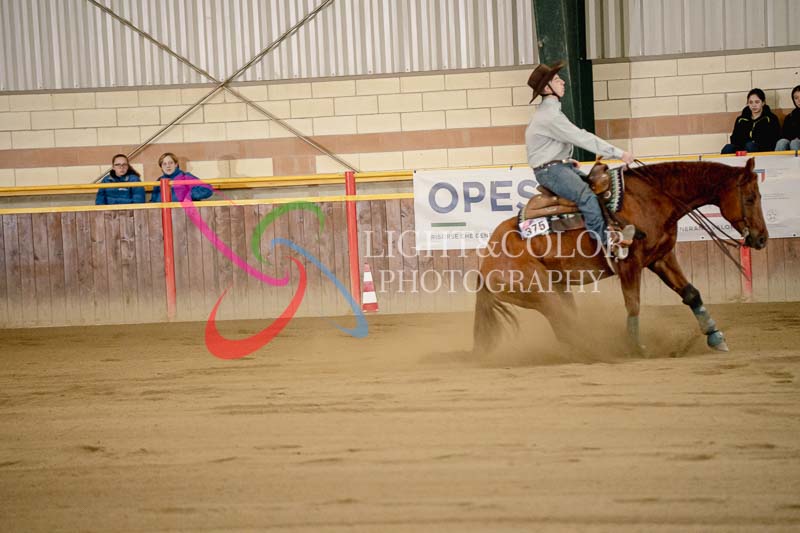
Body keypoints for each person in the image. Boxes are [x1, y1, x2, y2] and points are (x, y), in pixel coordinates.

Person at [524, 60, 636, 259]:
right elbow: (582, 138)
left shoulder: (549, 113)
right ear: (547, 89)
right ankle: (605, 242)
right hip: (551, 171)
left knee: (597, 189)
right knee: (586, 196)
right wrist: (619, 153)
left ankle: (610, 229)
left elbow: (552, 144)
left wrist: (565, 161)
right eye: (556, 80)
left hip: (555, 168)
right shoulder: (550, 116)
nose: (562, 82)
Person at [721, 88, 780, 154]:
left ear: (763, 103)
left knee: (750, 146)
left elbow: (774, 139)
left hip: (762, 150)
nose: (754, 105)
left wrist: (754, 142)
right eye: (751, 102)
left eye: (757, 102)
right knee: (728, 148)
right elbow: (734, 138)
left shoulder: (771, 118)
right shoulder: (741, 119)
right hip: (742, 149)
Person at [775, 85, 800, 151]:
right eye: (796, 98)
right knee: (782, 142)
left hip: (795, 144)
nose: (799, 100)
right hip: (791, 143)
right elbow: (785, 135)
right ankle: (777, 158)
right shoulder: (790, 117)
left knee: (795, 143)